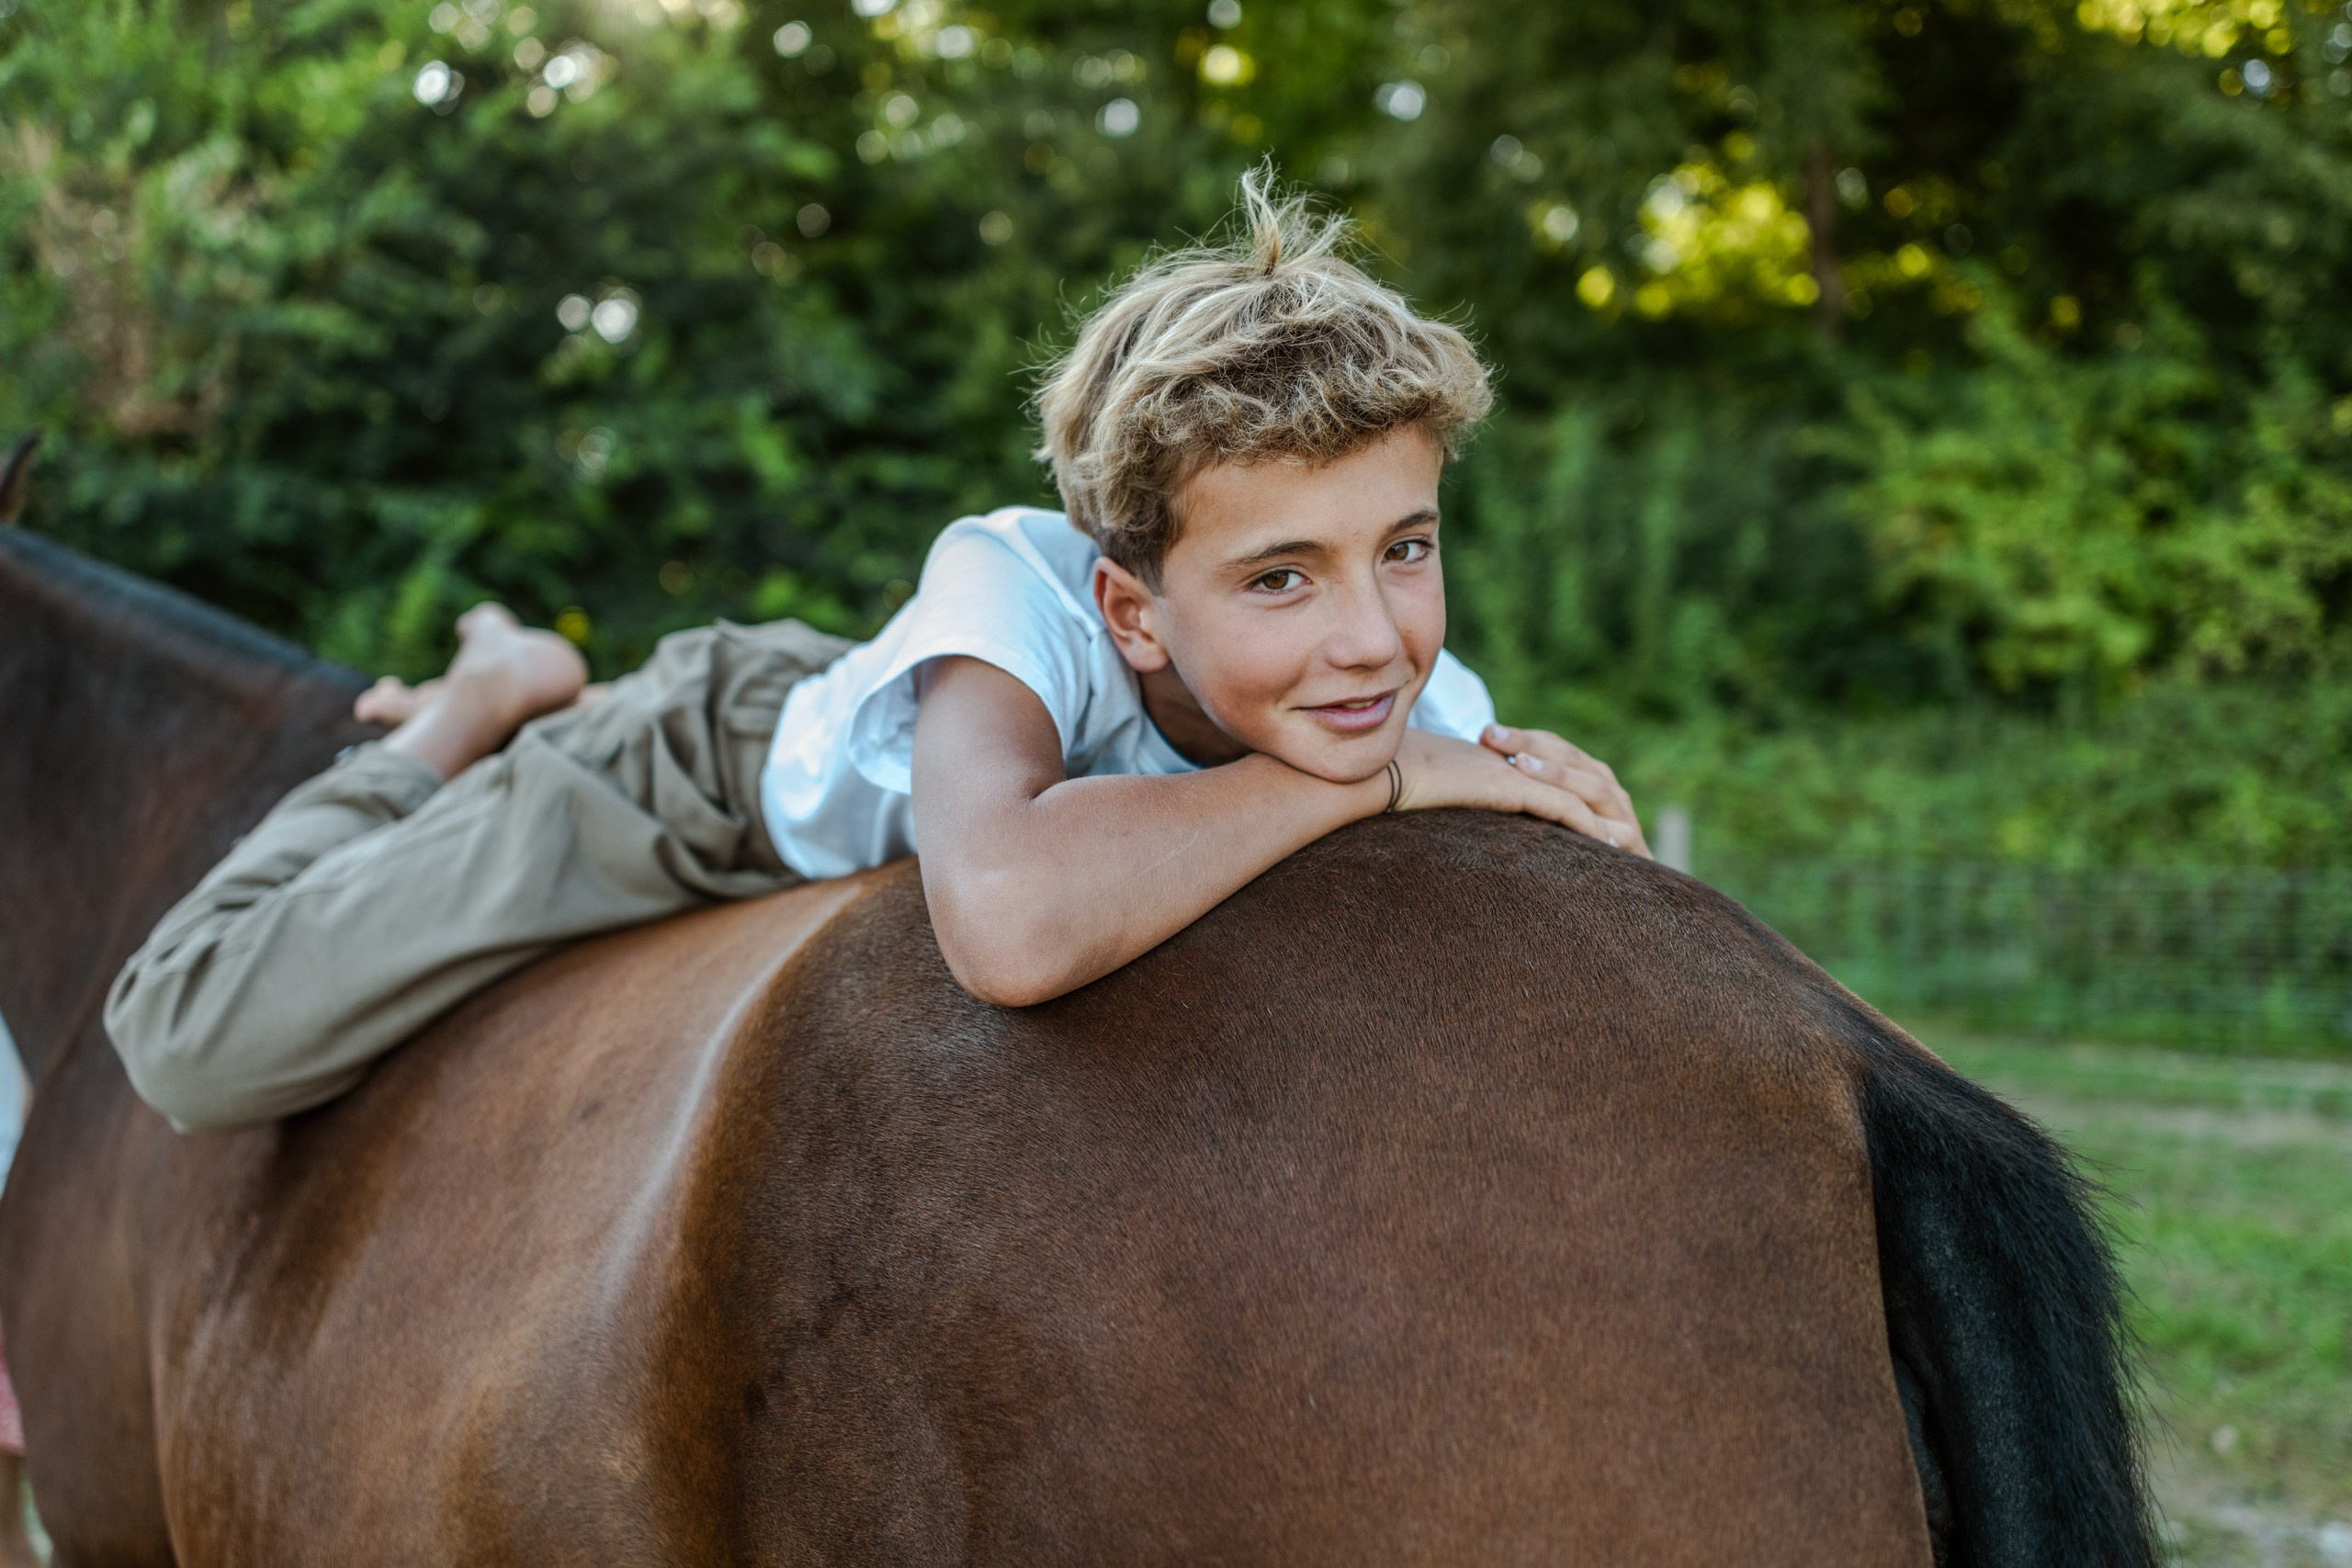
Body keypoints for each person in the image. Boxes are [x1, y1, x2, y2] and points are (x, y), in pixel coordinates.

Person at [104, 173, 1649, 1134]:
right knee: (198, 1041)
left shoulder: (1412, 702)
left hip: (871, 752)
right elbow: (1006, 920)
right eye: (1278, 579)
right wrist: (1382, 791)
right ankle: (480, 701)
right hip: (692, 780)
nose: (1371, 639)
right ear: (1132, 611)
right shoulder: (1011, 587)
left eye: (1406, 547)